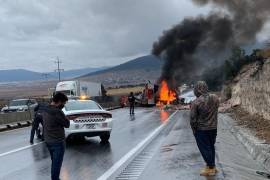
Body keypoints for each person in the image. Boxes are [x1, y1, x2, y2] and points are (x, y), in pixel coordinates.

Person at [190, 81, 219, 176]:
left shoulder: (196, 102)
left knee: (204, 149)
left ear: (197, 89)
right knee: (211, 147)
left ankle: (211, 168)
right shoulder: (215, 98)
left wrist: (194, 131)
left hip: (202, 129)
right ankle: (212, 166)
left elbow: (193, 119)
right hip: (213, 128)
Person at [42, 92, 69, 180]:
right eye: (63, 103)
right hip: (58, 142)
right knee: (56, 165)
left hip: (48, 141)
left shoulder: (45, 109)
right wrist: (64, 116)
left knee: (54, 163)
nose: (63, 105)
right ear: (59, 101)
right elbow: (67, 124)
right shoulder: (57, 112)